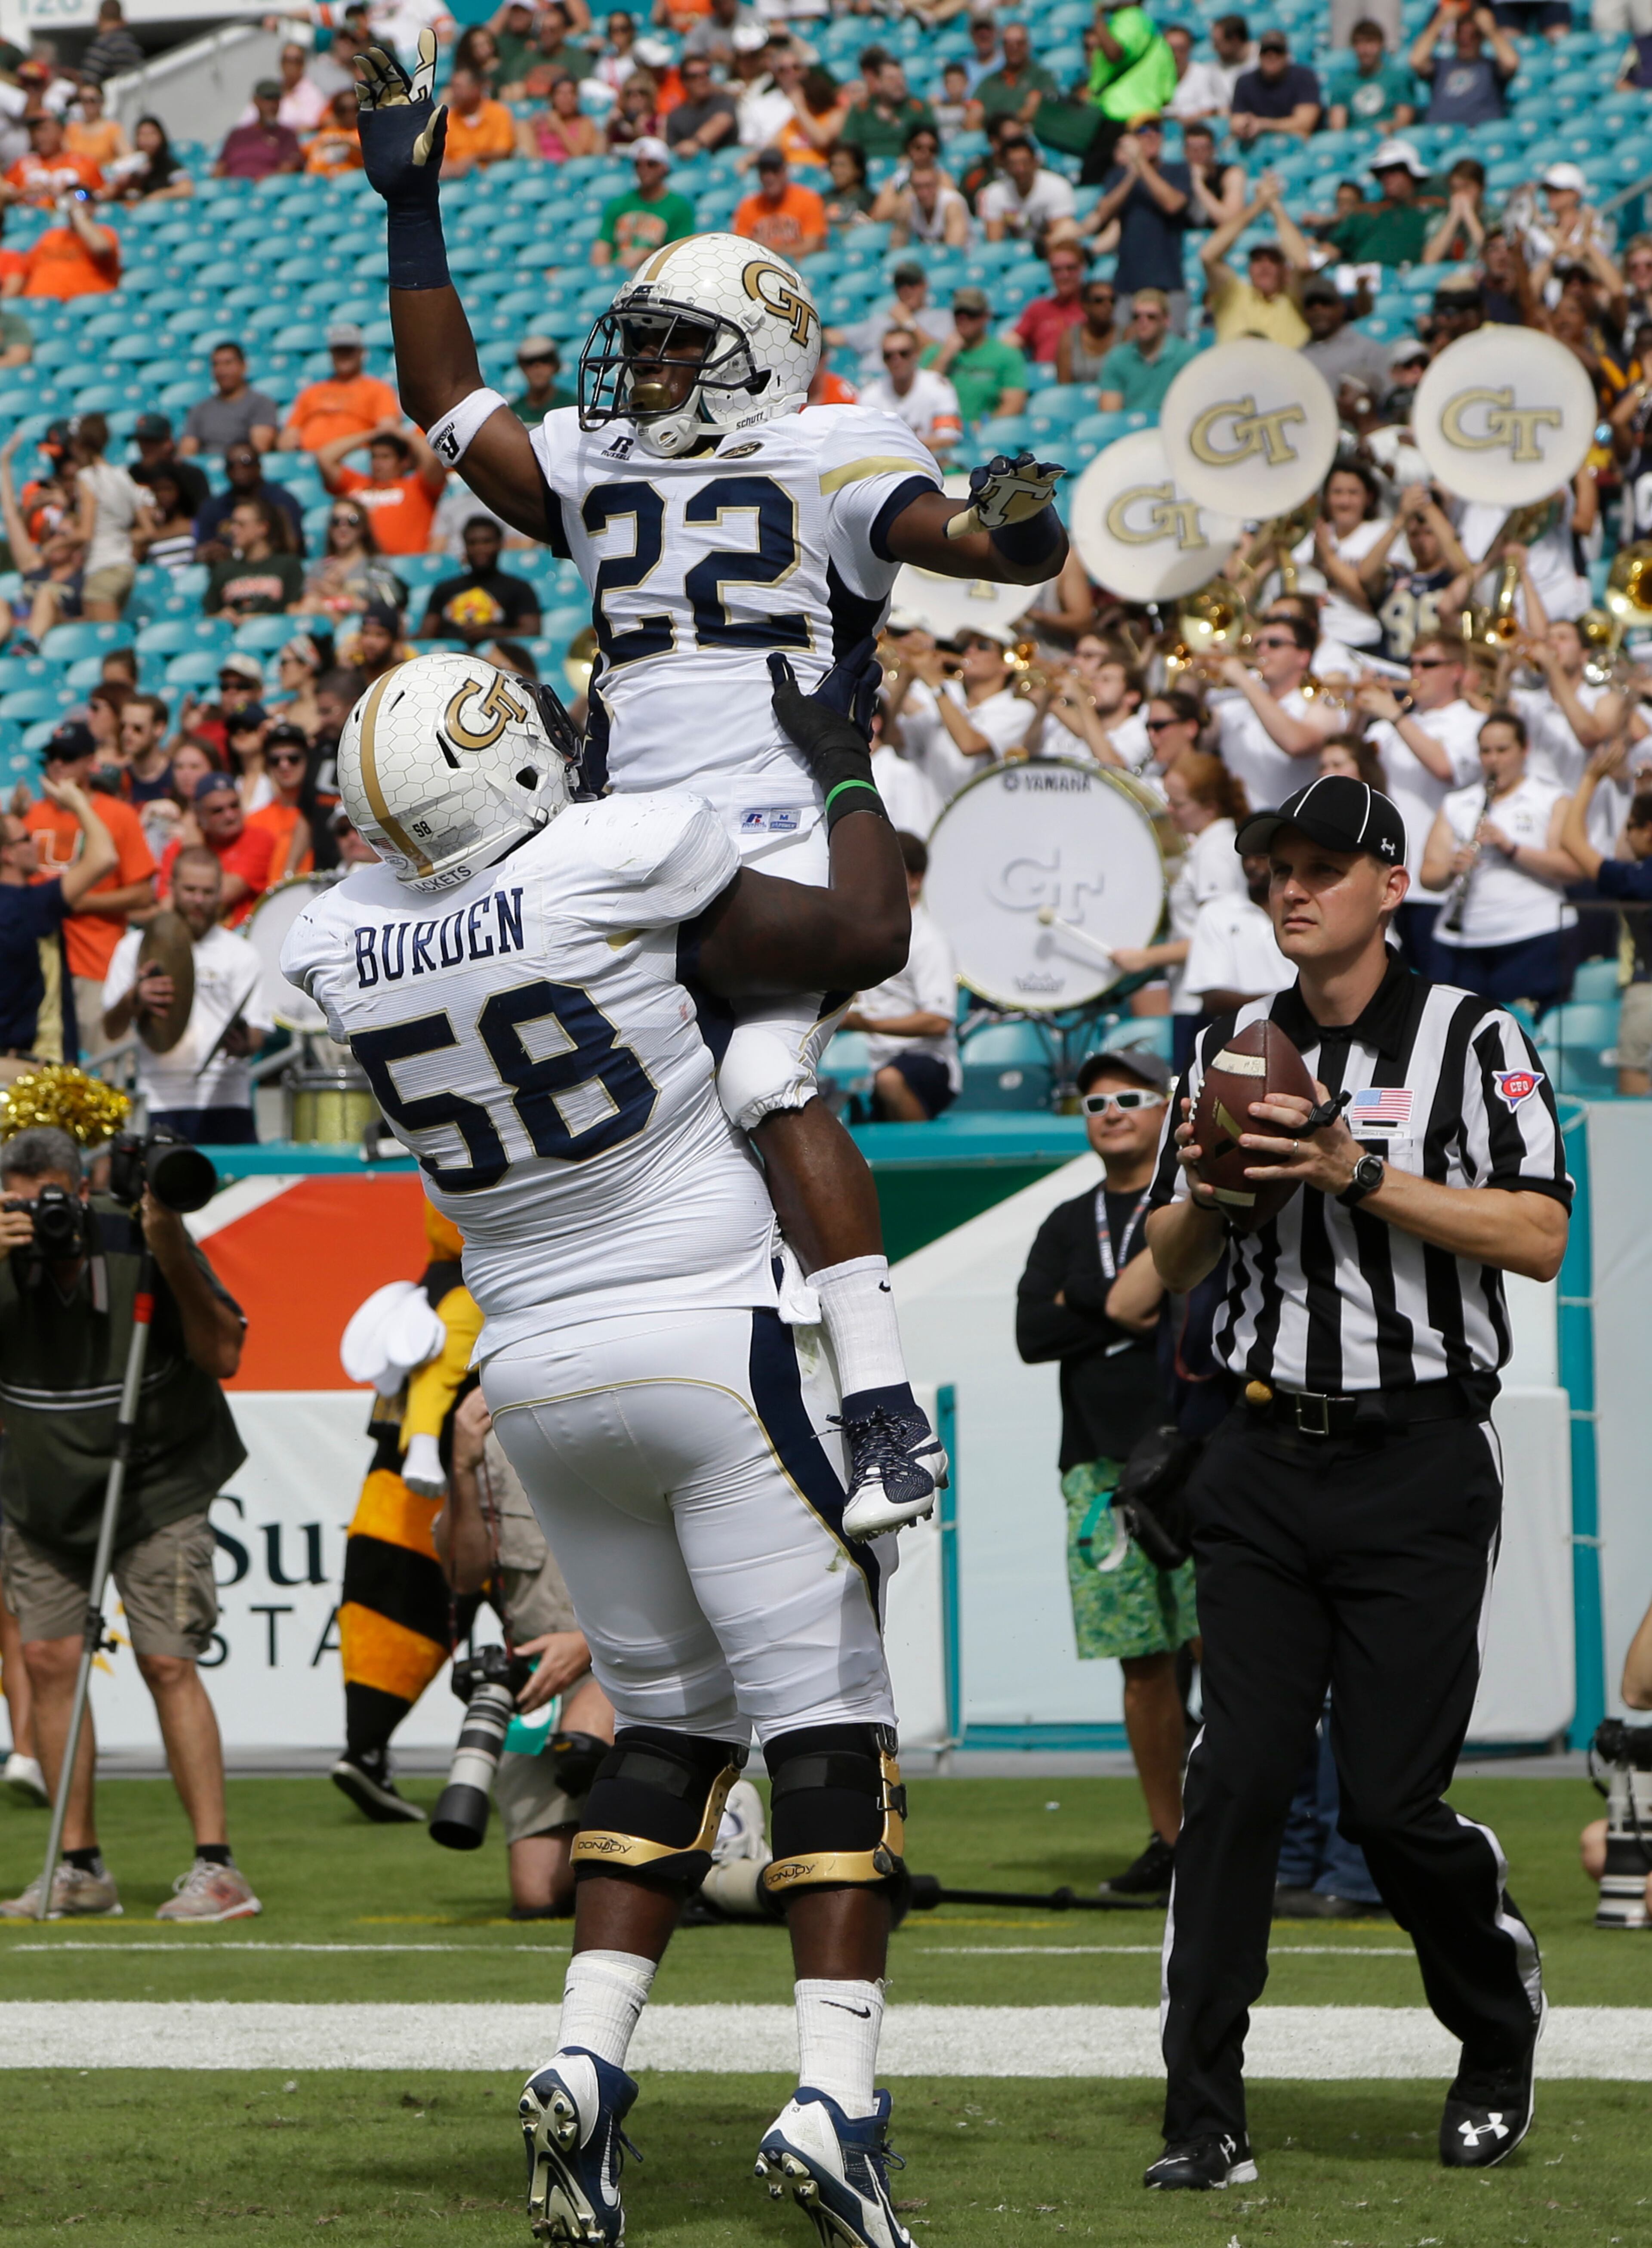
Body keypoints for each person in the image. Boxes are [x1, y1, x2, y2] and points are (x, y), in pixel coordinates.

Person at [354, 39, 1069, 1540]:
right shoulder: (601, 453)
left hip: (769, 817)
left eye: (678, 343)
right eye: (649, 343)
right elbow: (443, 398)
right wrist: (411, 211)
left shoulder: (832, 446)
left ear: (756, 351)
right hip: (614, 834)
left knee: (761, 1075)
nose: (646, 370)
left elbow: (981, 544)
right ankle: (691, 1372)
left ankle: (883, 1411)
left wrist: (1022, 520)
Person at [282, 635, 927, 2243]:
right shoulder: (612, 854)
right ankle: (835, 2094)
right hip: (703, 1334)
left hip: (536, 1372)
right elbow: (863, 930)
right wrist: (840, 759)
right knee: (829, 1726)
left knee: (665, 1727)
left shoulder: (344, 934)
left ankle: (588, 2052)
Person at [1144, 772, 1567, 2190]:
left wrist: (1349, 1169)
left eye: (1326, 864)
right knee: (1239, 1784)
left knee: (1390, 1804)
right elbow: (1148, 1285)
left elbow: (1538, 1233)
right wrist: (1220, 1195)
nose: (1292, 887)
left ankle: (1496, 2027)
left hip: (1420, 1457)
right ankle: (1201, 2111)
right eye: (1276, 866)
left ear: (1395, 884)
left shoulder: (1478, 1033)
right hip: (1262, 1458)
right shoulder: (1223, 1050)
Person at [0, 1124, 258, 1924]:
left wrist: (168, 1243)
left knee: (166, 1660)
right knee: (47, 1658)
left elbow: (224, 1354)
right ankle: (79, 1865)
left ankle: (218, 1868)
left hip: (156, 1478)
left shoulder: (135, 1236)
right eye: (16, 1203)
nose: (39, 1218)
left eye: (51, 1199)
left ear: (84, 1191)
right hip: (41, 1491)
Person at [1017, 1042, 1193, 1902]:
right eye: (1095, 1102)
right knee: (1141, 1660)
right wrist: (1116, 1300)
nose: (1113, 1111)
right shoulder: (1063, 1220)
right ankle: (1173, 1839)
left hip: (1196, 1452)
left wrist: (1077, 1302)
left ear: (1167, 1110)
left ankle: (1241, 1829)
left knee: (1222, 1647)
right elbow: (1030, 1335)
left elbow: (1173, 1310)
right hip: (1096, 1463)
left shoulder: (1196, 1205)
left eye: (1131, 1096)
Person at [437, 1388, 616, 1915]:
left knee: (584, 1747)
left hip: (643, 1659)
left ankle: (723, 1826)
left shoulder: (631, 1405)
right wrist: (463, 1467)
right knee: (536, 1893)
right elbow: (463, 1575)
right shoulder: (487, 1426)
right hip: (544, 1682)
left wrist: (589, 1646)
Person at [103, 842, 271, 1139]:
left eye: (208, 892)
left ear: (221, 891)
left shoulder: (242, 953)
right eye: (190, 890)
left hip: (227, 1097)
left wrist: (243, 1043)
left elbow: (258, 1029)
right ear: (171, 887)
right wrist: (135, 998)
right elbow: (111, 1029)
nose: (199, 900)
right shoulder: (133, 948)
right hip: (161, 1097)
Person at [1421, 708, 1578, 1005]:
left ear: (1525, 749)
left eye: (1503, 750)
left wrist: (1512, 848)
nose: (1494, 760)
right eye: (1486, 751)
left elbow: (1572, 868)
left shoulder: (1552, 798)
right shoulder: (1458, 802)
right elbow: (1428, 875)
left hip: (1535, 935)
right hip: (1464, 939)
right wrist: (1452, 868)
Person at [23, 718, 156, 1062]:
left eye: (67, 757)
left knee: (105, 1075)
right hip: (42, 967)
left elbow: (143, 895)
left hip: (98, 962)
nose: (57, 764)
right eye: (51, 756)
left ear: (89, 762)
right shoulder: (32, 817)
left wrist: (77, 902)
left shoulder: (117, 815)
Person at [1107, 744, 1249, 1065]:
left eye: (1178, 804)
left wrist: (1145, 958)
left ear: (1210, 806)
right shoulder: (1208, 846)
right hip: (1190, 996)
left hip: (1200, 1001)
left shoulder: (1215, 852)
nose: (1169, 810)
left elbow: (1219, 937)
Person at [1353, 632, 1485, 971]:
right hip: (1388, 881)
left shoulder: (1473, 723)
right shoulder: (1391, 726)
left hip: (1438, 886)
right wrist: (1358, 710)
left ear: (1456, 671)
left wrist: (1394, 715)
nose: (1416, 672)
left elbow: (1445, 768)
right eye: (1412, 664)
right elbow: (1349, 764)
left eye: (1428, 664)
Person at [838, 831, 959, 1121]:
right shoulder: (865, 934)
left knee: (890, 1081)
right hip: (878, 1065)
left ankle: (924, 1155)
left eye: (889, 871)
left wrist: (866, 1024)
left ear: (916, 880)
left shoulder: (929, 940)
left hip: (930, 1064)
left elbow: (939, 1021)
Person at [0, 776, 116, 1071]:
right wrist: (78, 802)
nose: (34, 842)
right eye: (26, 838)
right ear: (7, 854)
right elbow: (104, 857)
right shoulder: (30, 905)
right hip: (27, 1073)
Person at [1561, 745, 1652, 1095]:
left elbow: (1572, 841)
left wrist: (1590, 778)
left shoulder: (1638, 880)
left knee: (1634, 1083)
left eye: (1631, 827)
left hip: (1647, 993)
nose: (1626, 836)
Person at [883, 627, 1040, 802]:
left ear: (1006, 664)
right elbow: (888, 736)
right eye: (967, 645)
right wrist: (906, 679)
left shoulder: (1018, 709)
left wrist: (936, 683)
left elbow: (970, 745)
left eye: (983, 646)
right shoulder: (949, 700)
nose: (970, 651)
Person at [1211, 612, 1338, 814]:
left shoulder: (1319, 702)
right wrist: (1198, 676)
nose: (1263, 650)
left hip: (1291, 830)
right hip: (1237, 831)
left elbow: (1298, 743)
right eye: (1258, 644)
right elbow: (1192, 733)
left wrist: (1243, 680)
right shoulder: (1236, 704)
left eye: (1275, 644)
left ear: (1303, 656)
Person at [1083, 117, 1192, 327]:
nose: (1151, 135)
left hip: (1168, 282)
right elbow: (1104, 212)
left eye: (1156, 129)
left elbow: (1173, 204)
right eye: (1143, 130)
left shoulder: (1178, 170)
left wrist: (1141, 164)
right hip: (1127, 283)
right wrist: (1132, 175)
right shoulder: (1118, 175)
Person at [1197, 174, 1309, 346]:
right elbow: (1208, 256)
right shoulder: (1234, 295)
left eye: (1273, 261)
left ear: (1283, 269)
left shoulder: (1293, 299)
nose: (1264, 266)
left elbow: (1303, 263)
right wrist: (1258, 205)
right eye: (1257, 261)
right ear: (1249, 268)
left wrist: (1274, 205)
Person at [158, 773, 277, 930]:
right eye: (218, 811)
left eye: (234, 806)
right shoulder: (177, 849)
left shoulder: (260, 839)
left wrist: (195, 850)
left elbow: (224, 892)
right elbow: (166, 907)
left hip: (242, 935)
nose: (230, 815)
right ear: (199, 815)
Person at [317, 420, 445, 556]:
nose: (378, 463)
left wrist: (400, 434)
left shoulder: (417, 486)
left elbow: (432, 459)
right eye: (374, 457)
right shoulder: (356, 483)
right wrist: (373, 434)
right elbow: (325, 457)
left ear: (404, 462)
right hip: (361, 566)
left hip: (407, 567)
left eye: (386, 457)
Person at [279, 323, 402, 455]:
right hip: (309, 460)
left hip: (355, 461)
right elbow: (288, 438)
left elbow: (388, 431)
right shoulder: (312, 392)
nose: (344, 356)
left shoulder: (378, 389)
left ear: (361, 353)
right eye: (339, 351)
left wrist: (342, 447)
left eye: (349, 350)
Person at [419, 515, 542, 645]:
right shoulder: (444, 589)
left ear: (500, 544)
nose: (480, 548)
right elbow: (426, 636)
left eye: (487, 542)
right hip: (451, 660)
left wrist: (489, 633)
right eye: (473, 543)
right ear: (465, 546)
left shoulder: (519, 589)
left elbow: (532, 632)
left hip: (498, 658)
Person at [922, 288, 1026, 429]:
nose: (964, 320)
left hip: (984, 432)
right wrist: (945, 357)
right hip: (939, 432)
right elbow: (919, 394)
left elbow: (1014, 403)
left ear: (986, 317)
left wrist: (987, 427)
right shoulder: (934, 353)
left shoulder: (1006, 355)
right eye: (959, 314)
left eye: (971, 314)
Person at [590, 136, 696, 269]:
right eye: (638, 164)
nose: (643, 169)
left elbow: (679, 255)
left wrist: (644, 255)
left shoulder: (679, 206)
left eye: (651, 164)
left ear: (664, 167)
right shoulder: (619, 203)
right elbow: (601, 249)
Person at [1408, 3, 1518, 127]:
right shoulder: (1442, 65)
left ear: (1481, 38)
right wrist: (1440, 22)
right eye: (1461, 35)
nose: (1466, 40)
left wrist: (1491, 30)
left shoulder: (1491, 67)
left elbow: (1511, 63)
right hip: (1440, 133)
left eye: (1474, 35)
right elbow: (1416, 61)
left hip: (1481, 134)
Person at [860, 328, 962, 461]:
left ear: (917, 354)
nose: (896, 360)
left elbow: (948, 437)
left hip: (932, 462)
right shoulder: (871, 395)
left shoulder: (938, 387)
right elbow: (863, 443)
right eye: (889, 355)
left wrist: (897, 447)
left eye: (904, 353)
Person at [1097, 288, 1198, 415]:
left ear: (1167, 320)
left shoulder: (1187, 356)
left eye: (1151, 317)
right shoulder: (1118, 358)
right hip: (1129, 431)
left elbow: (1194, 407)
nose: (1143, 322)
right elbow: (1109, 416)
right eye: (1136, 317)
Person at [202, 495, 305, 618]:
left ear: (262, 528)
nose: (234, 530)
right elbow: (208, 617)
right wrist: (221, 617)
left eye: (241, 524)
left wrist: (260, 619)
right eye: (233, 524)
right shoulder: (223, 569)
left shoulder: (288, 565)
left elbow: (295, 611)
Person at [179, 342, 280, 460]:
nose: (222, 371)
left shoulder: (261, 404)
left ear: (244, 367)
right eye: (216, 364)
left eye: (228, 363)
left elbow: (259, 449)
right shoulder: (199, 409)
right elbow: (187, 452)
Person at [978, 133, 1078, 248]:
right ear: (1005, 166)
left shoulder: (1058, 186)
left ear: (1035, 162)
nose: (1020, 169)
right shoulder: (995, 192)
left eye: (1025, 163)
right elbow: (994, 243)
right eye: (1014, 164)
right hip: (1012, 252)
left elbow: (1061, 236)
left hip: (1046, 250)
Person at [733, 147, 828, 262]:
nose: (769, 177)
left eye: (775, 170)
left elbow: (812, 246)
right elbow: (741, 248)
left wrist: (770, 249)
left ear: (785, 172)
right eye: (764, 171)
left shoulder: (809, 200)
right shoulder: (748, 205)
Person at [1228, 29, 1320, 144]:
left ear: (1287, 55)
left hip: (1294, 146)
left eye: (1278, 51)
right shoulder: (1245, 81)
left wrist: (1263, 124)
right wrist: (1245, 124)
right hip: (1258, 143)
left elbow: (1305, 123)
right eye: (1266, 52)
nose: (1272, 56)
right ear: (1259, 55)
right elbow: (1236, 121)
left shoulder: (1305, 77)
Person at [1325, 17, 1417, 131]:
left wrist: (1390, 127)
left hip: (1390, 140)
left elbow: (1404, 120)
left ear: (1381, 44)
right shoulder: (1343, 82)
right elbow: (1338, 127)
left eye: (1370, 42)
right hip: (1355, 142)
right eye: (1359, 43)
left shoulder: (1398, 78)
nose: (1365, 50)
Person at [215, 78, 304, 179]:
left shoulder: (287, 135)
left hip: (269, 191)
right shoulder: (237, 135)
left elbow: (288, 169)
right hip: (233, 190)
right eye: (267, 100)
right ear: (256, 101)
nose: (272, 106)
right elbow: (220, 169)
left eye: (276, 100)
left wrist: (261, 183)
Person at [438, 62, 515, 173]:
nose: (454, 92)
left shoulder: (499, 112)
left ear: (476, 88)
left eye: (459, 87)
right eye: (453, 87)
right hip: (458, 176)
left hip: (494, 173)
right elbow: (442, 154)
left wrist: (474, 158)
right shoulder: (447, 118)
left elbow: (504, 150)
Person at [1055, 275, 1119, 386]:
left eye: (1112, 300)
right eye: (1099, 301)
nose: (1107, 305)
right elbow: (1064, 387)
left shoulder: (1126, 336)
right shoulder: (1069, 338)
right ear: (1085, 305)